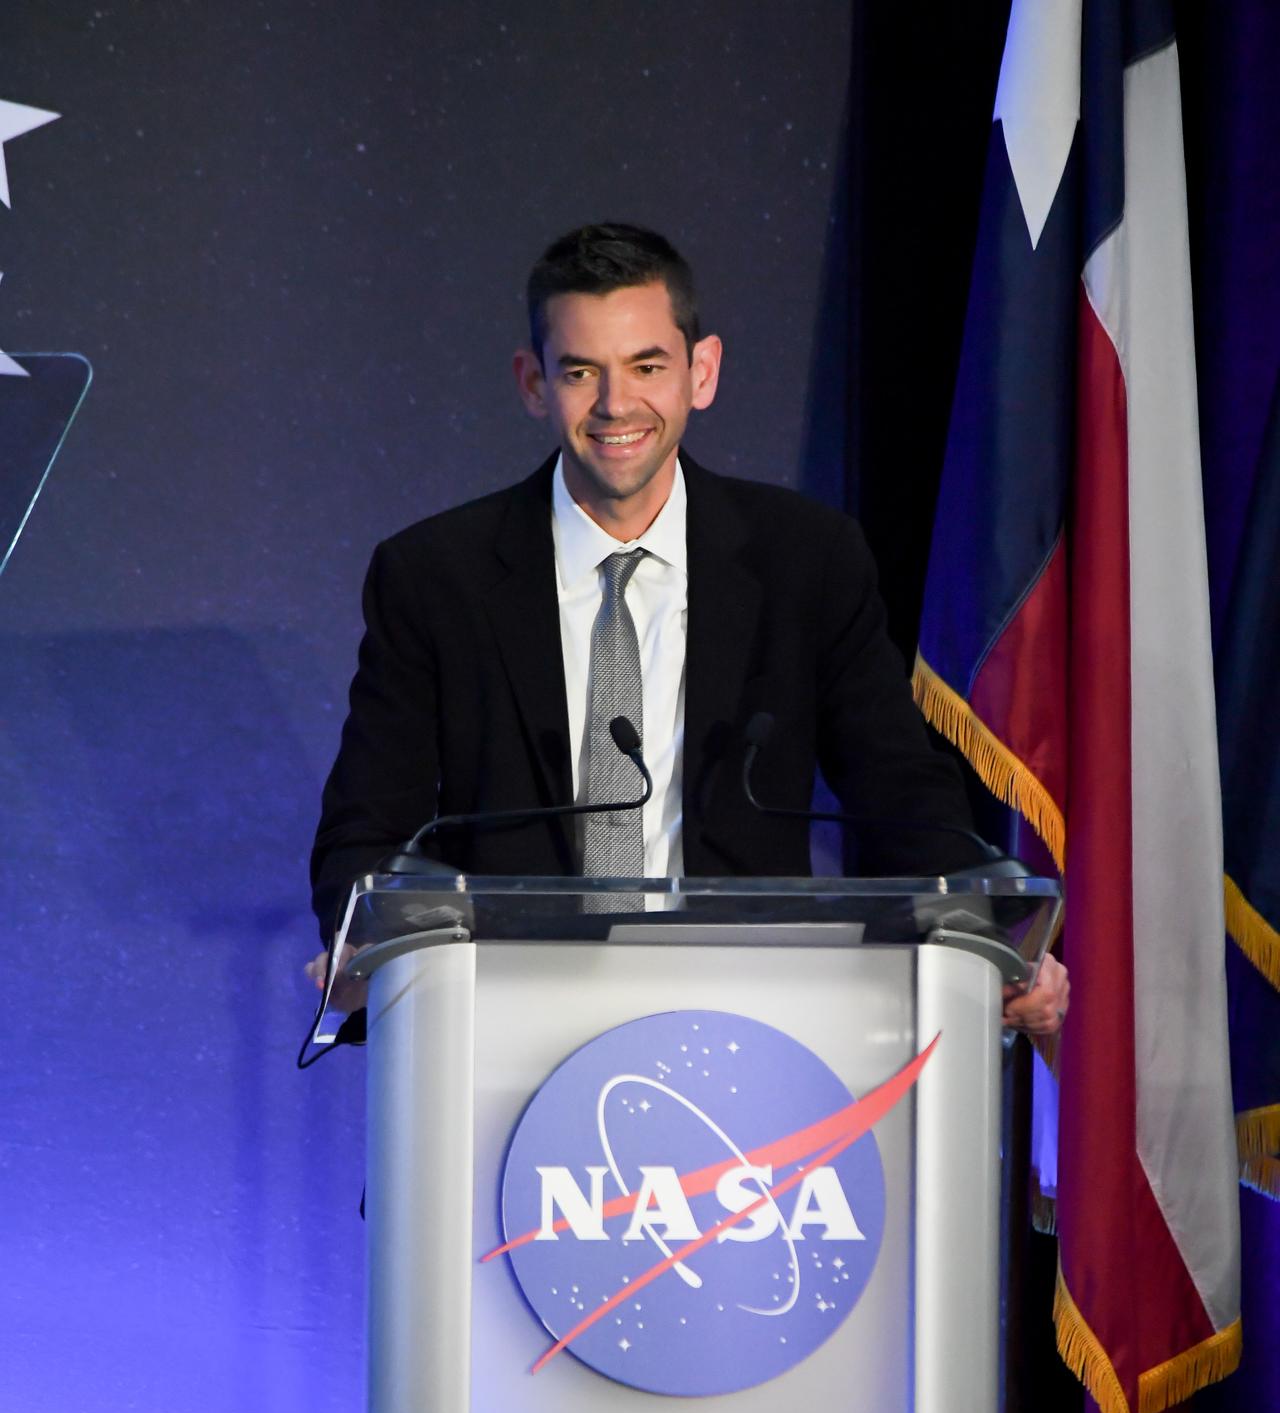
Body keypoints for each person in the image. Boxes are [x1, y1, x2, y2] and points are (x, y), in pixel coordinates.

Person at [309, 224, 1067, 1034]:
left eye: (646, 366)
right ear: (533, 384)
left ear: (700, 372)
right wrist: (368, 947)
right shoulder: (436, 576)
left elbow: (902, 798)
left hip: (753, 1020)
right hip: (504, 1023)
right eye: (579, 371)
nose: (615, 404)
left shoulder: (804, 559)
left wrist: (987, 942)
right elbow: (369, 829)